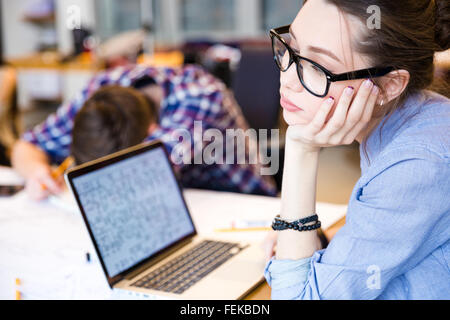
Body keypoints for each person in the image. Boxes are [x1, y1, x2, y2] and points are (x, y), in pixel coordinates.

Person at [263, 0, 450, 299]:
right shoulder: (418, 119)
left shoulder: (419, 163)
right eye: (291, 48)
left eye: (316, 67)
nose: (287, 80)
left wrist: (301, 150)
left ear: (390, 85)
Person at [12, 64, 277, 200]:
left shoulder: (202, 99)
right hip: (182, 201)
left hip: (243, 207)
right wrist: (38, 172)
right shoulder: (103, 93)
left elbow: (142, 178)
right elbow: (26, 145)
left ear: (152, 130)